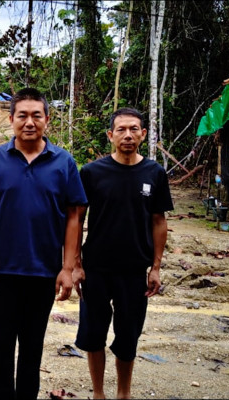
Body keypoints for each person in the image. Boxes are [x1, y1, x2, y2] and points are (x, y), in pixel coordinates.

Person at [0, 87, 88, 399]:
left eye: (36, 115)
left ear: (47, 119)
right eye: (22, 115)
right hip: (1, 273)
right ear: (11, 119)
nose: (29, 122)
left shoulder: (63, 162)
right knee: (0, 351)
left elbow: (73, 217)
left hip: (44, 273)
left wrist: (67, 268)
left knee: (32, 351)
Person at [74, 107, 173, 399]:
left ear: (143, 134)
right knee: (93, 334)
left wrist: (156, 267)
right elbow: (77, 219)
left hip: (134, 271)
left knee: (128, 336)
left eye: (133, 129)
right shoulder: (91, 173)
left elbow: (159, 221)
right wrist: (75, 264)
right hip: (96, 269)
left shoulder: (154, 173)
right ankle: (98, 393)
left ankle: (123, 394)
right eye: (121, 130)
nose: (127, 135)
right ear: (110, 135)